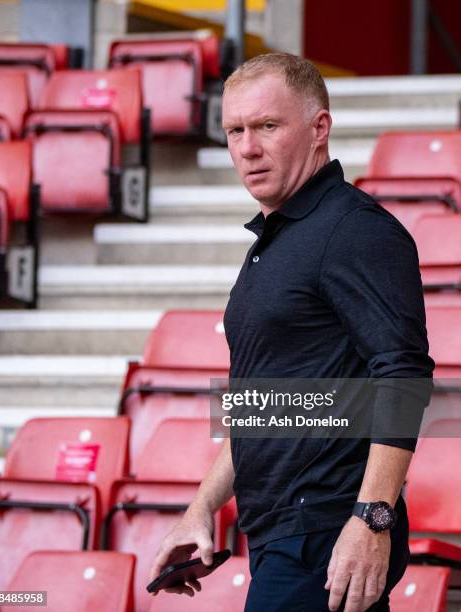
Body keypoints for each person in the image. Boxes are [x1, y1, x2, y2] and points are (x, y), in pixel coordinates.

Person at [149, 53, 434, 612]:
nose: (247, 148)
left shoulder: (353, 231)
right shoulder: (278, 241)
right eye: (235, 130)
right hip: (286, 532)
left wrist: (371, 521)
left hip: (326, 531)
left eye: (267, 126)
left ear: (319, 127)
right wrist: (203, 506)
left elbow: (403, 376)